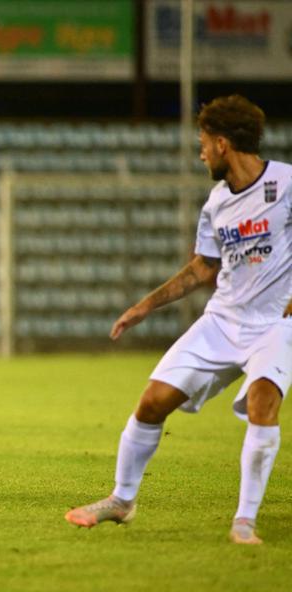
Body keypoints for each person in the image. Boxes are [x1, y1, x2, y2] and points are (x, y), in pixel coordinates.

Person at [65, 95, 291, 544]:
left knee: (264, 401)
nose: (201, 152)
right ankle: (121, 500)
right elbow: (203, 268)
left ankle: (244, 521)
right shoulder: (216, 204)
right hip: (222, 320)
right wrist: (144, 306)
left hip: (275, 322)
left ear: (223, 143)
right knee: (152, 402)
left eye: (204, 143)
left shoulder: (286, 184)